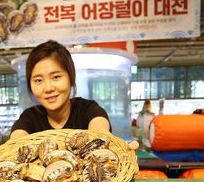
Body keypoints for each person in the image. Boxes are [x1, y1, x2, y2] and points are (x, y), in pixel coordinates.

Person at [10, 40, 138, 152]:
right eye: (38, 80)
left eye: (56, 77)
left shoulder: (89, 109)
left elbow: (99, 130)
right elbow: (16, 139)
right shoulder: (29, 118)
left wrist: (118, 146)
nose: (48, 88)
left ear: (71, 77)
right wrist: (12, 147)